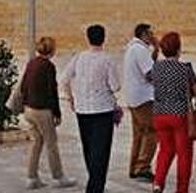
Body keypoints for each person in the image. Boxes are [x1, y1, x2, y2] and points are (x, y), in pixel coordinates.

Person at [60, 24, 121, 193]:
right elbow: (116, 86)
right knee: (101, 151)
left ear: (88, 38)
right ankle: (95, 187)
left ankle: (94, 183)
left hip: (83, 110)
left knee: (88, 148)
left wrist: (70, 98)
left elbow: (64, 79)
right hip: (102, 110)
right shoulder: (107, 59)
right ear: (104, 38)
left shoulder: (79, 57)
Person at [20, 36, 77, 189]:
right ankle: (58, 177)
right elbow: (52, 92)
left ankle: (31, 178)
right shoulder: (48, 67)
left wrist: (26, 103)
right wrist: (57, 113)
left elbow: (23, 86)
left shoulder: (31, 63)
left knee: (36, 142)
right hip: (42, 110)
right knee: (51, 144)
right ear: (51, 50)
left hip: (29, 109)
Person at [151, 32, 196, 193]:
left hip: (159, 114)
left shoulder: (156, 67)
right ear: (178, 49)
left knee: (165, 150)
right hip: (180, 115)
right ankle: (182, 189)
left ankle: (158, 183)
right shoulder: (185, 69)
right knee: (184, 155)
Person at [123, 23, 158, 182]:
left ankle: (134, 168)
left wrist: (156, 49)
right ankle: (143, 167)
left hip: (133, 97)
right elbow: (150, 73)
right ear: (144, 34)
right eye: (151, 33)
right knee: (152, 131)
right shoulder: (141, 50)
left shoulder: (133, 48)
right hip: (144, 98)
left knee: (138, 134)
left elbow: (148, 63)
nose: (153, 36)